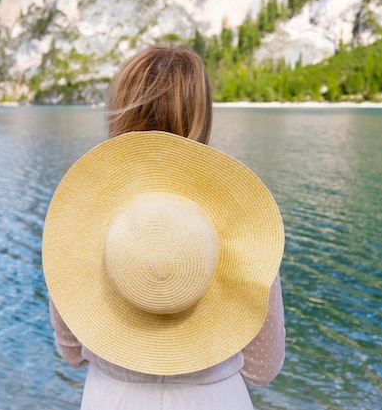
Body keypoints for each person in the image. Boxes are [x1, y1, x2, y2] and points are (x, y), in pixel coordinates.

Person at [42, 44, 286, 410]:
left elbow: (71, 351)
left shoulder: (83, 219)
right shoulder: (240, 224)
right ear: (201, 117)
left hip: (113, 398)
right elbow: (263, 368)